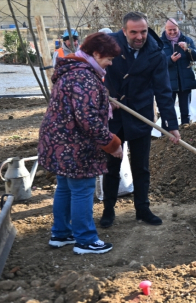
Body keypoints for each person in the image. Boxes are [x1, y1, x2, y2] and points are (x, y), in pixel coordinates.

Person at [39, 32, 122, 254]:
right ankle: (85, 239)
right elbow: (88, 120)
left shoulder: (72, 70)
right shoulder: (83, 77)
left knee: (65, 188)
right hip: (74, 146)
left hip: (58, 141)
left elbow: (78, 107)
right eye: (108, 58)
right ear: (95, 53)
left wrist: (105, 104)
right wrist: (112, 144)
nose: (110, 63)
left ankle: (61, 233)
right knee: (82, 189)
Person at [100, 12, 181, 228]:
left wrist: (171, 125)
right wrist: (105, 94)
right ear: (124, 30)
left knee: (141, 166)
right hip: (113, 117)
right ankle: (108, 210)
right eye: (133, 32)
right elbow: (94, 71)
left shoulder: (155, 52)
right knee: (111, 166)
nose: (139, 36)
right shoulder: (109, 45)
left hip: (140, 115)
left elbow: (163, 91)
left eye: (143, 31)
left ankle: (142, 210)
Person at [161, 18, 196, 127]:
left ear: (178, 28)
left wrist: (188, 49)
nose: (173, 32)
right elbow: (156, 62)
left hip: (185, 82)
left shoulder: (187, 40)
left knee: (186, 112)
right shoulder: (159, 42)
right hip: (168, 83)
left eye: (174, 29)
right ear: (165, 29)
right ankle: (166, 136)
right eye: (170, 30)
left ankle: (186, 134)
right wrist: (170, 60)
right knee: (167, 111)